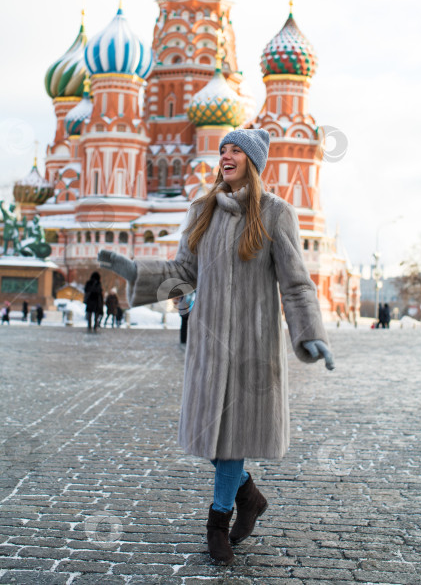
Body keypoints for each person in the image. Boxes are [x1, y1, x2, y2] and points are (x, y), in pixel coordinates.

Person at [98, 128, 334, 566]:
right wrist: (136, 271)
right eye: (223, 149)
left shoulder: (274, 212)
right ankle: (249, 494)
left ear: (253, 161)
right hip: (208, 345)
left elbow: (296, 283)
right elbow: (181, 272)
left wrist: (310, 333)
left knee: (231, 441)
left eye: (236, 150)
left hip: (252, 348)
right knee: (210, 438)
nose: (226, 156)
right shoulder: (200, 210)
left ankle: (217, 521)